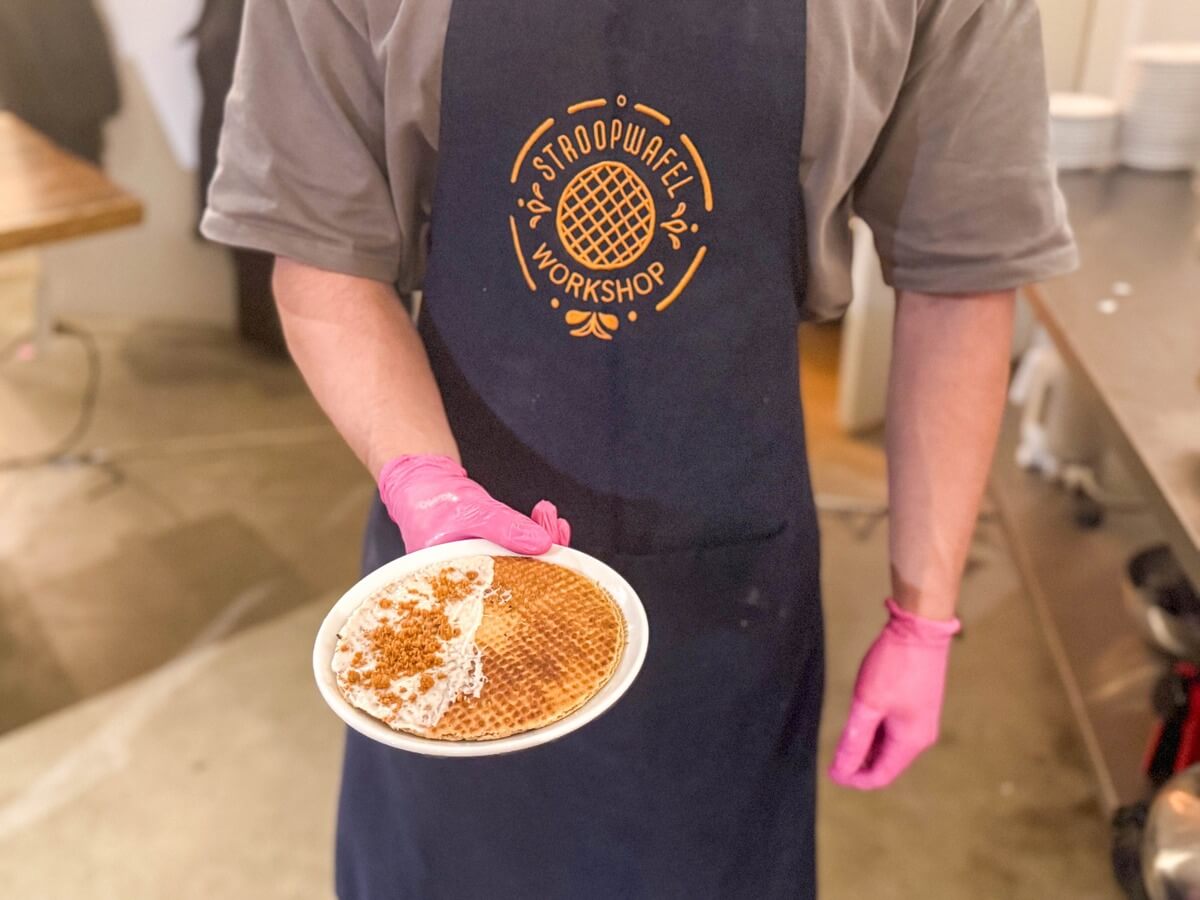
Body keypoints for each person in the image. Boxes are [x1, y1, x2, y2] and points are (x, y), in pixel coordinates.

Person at [202, 1, 1076, 896]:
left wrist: (924, 618)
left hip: (729, 594)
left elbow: (960, 276)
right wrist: (426, 480)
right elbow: (321, 252)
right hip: (454, 585)